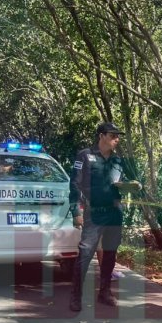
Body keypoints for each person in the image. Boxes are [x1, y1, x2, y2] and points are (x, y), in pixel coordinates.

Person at [68, 122, 139, 311]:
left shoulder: (117, 161)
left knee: (110, 253)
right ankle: (76, 296)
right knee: (85, 252)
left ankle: (105, 292)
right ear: (101, 135)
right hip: (94, 212)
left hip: (115, 212)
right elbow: (75, 184)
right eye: (113, 135)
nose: (117, 139)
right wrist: (76, 211)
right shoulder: (85, 155)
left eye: (118, 136)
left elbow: (122, 181)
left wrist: (129, 186)